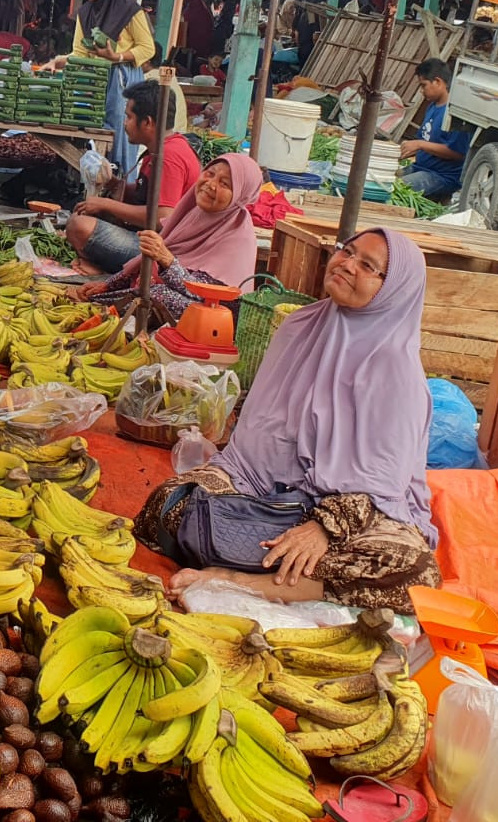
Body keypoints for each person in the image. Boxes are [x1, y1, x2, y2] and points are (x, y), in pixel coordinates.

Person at [139, 229, 443, 613]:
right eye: (346, 252)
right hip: (265, 487)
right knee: (171, 503)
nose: (347, 265)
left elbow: (384, 484)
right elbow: (259, 435)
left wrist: (322, 528)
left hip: (352, 514)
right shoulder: (299, 327)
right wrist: (248, 487)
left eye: (368, 266)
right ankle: (286, 573)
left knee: (411, 570)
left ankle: (242, 581)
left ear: (394, 290)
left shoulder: (397, 371)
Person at [69, 153, 260, 321]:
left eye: (224, 183)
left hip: (215, 314)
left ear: (240, 196)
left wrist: (167, 259)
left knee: (159, 295)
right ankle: (101, 301)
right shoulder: (194, 212)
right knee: (148, 281)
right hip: (181, 290)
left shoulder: (237, 236)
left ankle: (99, 306)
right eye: (210, 173)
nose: (210, 185)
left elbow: (204, 294)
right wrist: (107, 285)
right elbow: (145, 261)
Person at [65, 80, 201, 273]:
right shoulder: (160, 150)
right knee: (89, 217)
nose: (124, 123)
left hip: (164, 251)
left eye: (128, 117)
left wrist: (107, 204)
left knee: (78, 226)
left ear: (147, 122)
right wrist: (115, 184)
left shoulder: (169, 156)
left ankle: (102, 267)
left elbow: (162, 217)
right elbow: (147, 197)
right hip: (150, 240)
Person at [58, 0, 155, 179]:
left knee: (121, 136)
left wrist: (118, 57)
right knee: (88, 131)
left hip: (123, 81)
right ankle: (91, 185)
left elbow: (147, 48)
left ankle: (121, 189)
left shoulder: (130, 11)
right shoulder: (85, 13)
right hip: (94, 81)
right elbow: (80, 52)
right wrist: (61, 62)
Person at [399, 58, 469, 199]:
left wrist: (420, 145)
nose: (421, 91)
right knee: (382, 178)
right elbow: (424, 138)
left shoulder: (454, 113)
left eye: (423, 85)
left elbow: (458, 153)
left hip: (442, 176)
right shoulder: (432, 106)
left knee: (394, 187)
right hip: (420, 168)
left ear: (438, 82)